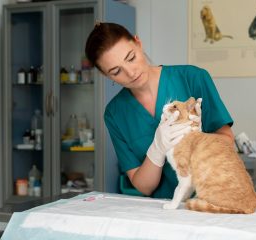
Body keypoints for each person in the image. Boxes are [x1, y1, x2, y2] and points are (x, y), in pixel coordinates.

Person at [85, 22, 234, 199]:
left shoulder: (192, 78)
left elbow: (228, 142)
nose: (131, 73)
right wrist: (157, 149)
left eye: (131, 58)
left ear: (138, 43)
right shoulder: (115, 113)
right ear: (106, 75)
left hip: (213, 200)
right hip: (162, 210)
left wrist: (196, 140)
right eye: (116, 71)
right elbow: (144, 187)